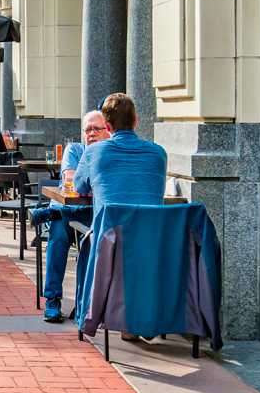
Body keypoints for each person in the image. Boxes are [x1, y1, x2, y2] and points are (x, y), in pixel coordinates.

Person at [65, 95, 167, 338]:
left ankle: (93, 314)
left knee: (87, 239)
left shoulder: (94, 152)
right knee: (132, 245)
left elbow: (79, 187)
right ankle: (138, 319)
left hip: (110, 239)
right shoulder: (158, 153)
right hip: (155, 239)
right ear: (136, 121)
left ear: (108, 127)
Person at [34, 111, 109, 321]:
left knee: (62, 222)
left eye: (97, 129)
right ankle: (53, 299)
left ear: (109, 130)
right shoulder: (75, 149)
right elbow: (71, 179)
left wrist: (87, 186)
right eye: (87, 130)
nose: (91, 134)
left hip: (94, 216)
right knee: (58, 232)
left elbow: (92, 187)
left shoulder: (111, 152)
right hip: (73, 215)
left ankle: (82, 303)